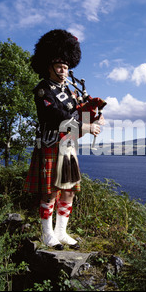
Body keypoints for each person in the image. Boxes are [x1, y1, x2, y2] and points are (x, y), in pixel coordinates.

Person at [23, 29, 103, 250]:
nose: (63, 70)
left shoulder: (70, 91)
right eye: (59, 66)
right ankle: (47, 233)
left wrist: (94, 113)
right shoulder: (43, 89)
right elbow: (54, 115)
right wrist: (84, 126)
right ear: (48, 66)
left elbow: (78, 112)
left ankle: (61, 232)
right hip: (50, 143)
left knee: (68, 191)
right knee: (50, 192)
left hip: (68, 145)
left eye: (66, 67)